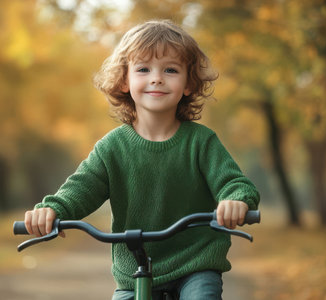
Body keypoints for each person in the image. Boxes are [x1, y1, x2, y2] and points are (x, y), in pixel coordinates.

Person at [23, 20, 260, 299]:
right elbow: (81, 188)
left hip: (196, 264)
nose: (156, 78)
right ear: (125, 80)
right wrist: (53, 210)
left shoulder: (201, 142)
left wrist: (236, 201)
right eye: (143, 69)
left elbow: (233, 182)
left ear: (188, 83)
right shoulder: (112, 148)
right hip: (134, 269)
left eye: (170, 70)